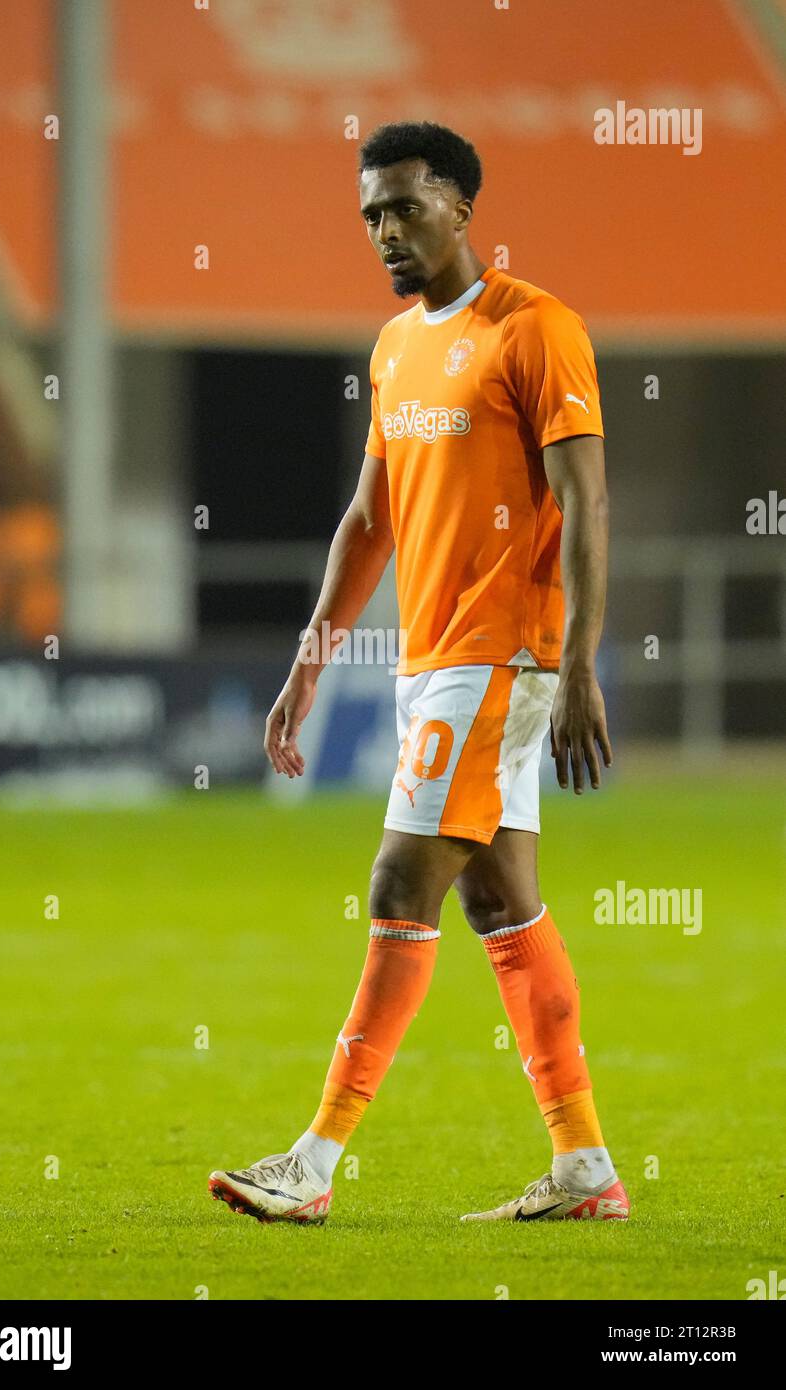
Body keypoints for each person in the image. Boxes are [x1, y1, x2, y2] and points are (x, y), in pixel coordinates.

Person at [210, 121, 628, 1226]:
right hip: (429, 657)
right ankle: (583, 1165)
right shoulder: (395, 346)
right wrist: (310, 662)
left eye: (402, 206)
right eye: (369, 216)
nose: (384, 233)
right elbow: (367, 518)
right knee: (499, 900)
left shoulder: (535, 329)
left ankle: (311, 1161)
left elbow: (585, 501)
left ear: (459, 205)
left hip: (501, 654)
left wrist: (578, 659)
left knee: (401, 884)